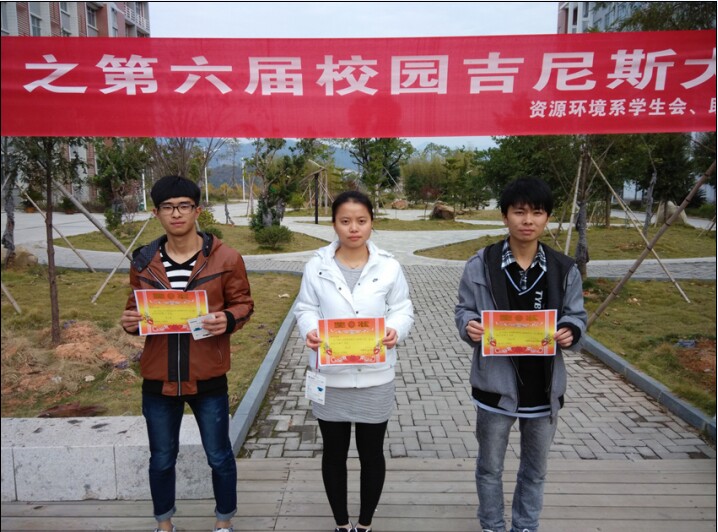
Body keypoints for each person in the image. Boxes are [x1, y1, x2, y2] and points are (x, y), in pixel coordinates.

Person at [120, 175, 254, 532]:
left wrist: (227, 319)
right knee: (162, 458)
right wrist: (131, 322)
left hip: (208, 374)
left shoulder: (226, 258)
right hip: (159, 377)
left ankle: (223, 523)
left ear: (198, 210)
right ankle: (164, 524)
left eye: (183, 206)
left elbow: (244, 303)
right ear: (156, 213)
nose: (176, 214)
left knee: (219, 456)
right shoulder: (143, 260)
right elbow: (135, 309)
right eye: (167, 207)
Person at [454, 177, 587, 532]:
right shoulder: (481, 264)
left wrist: (571, 330)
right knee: (489, 467)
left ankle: (526, 526)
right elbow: (464, 309)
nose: (528, 220)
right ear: (505, 216)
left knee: (535, 470)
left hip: (544, 390)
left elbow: (577, 315)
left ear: (548, 218)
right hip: (494, 387)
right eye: (519, 212)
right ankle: (492, 525)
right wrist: (469, 325)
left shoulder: (563, 268)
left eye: (537, 213)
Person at [294, 190, 414, 532]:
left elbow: (403, 308)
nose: (353, 228)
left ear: (372, 222)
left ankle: (364, 524)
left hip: (375, 377)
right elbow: (305, 307)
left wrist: (395, 330)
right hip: (330, 378)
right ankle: (341, 524)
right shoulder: (316, 265)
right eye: (345, 221)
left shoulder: (389, 266)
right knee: (333, 453)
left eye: (361, 220)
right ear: (334, 224)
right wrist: (310, 329)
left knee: (371, 453)